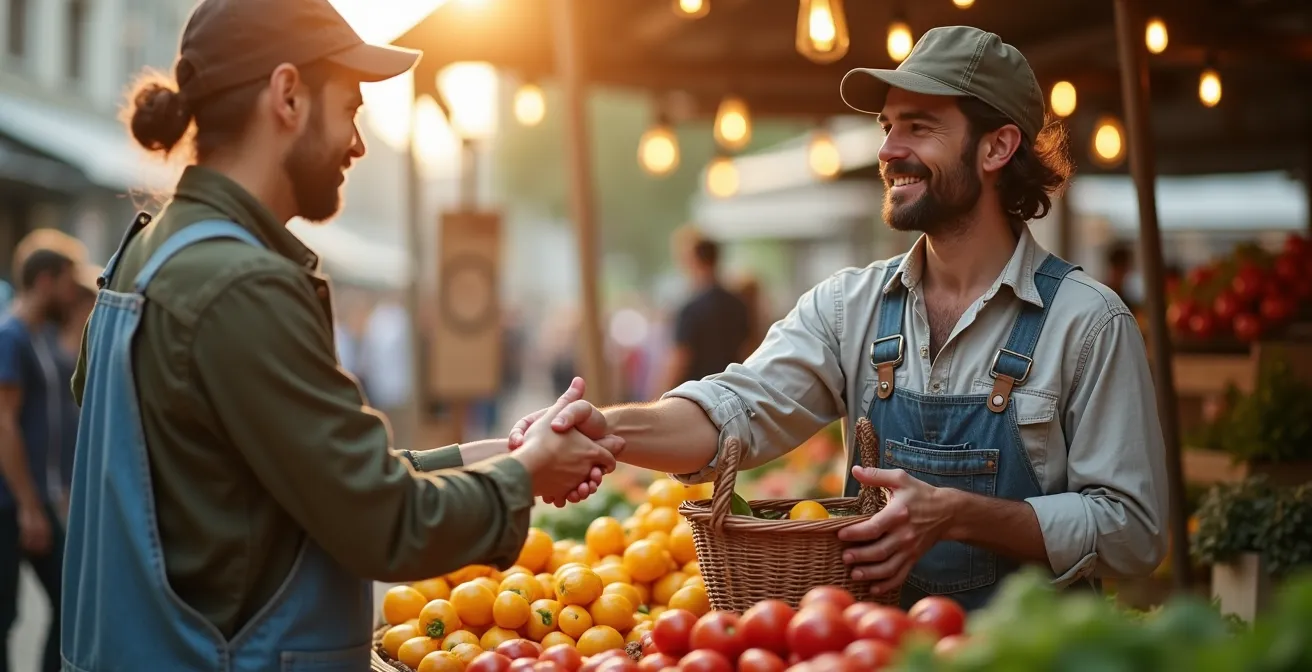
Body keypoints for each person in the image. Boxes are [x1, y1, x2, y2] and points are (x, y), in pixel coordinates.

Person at [512, 26, 1169, 612]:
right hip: (876, 652)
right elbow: (734, 409)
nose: (888, 149)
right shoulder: (849, 307)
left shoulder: (1089, 323)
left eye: (918, 126)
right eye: (887, 126)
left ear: (997, 147)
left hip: (1032, 658)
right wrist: (609, 428)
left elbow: (1135, 534)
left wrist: (959, 515)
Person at [62, 1, 618, 670]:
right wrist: (525, 475)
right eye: (352, 108)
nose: (358, 143)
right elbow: (385, 524)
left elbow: (312, 479)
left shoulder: (146, 255)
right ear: (288, 95)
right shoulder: (241, 285)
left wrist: (504, 451)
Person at [0, 243, 86, 672]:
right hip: (11, 504)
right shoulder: (10, 336)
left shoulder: (42, 340)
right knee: (3, 618)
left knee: (73, 603)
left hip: (37, 500)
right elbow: (4, 423)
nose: (73, 294)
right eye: (69, 283)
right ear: (46, 280)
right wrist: (30, 507)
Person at [661, 232, 751, 393]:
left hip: (697, 394)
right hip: (730, 390)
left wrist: (657, 398)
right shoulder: (738, 304)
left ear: (693, 260)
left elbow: (681, 359)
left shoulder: (690, 308)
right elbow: (748, 349)